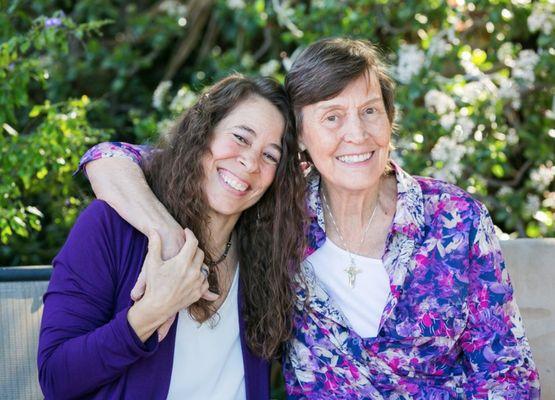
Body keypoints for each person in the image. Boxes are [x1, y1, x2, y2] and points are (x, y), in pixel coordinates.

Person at [77, 39, 540, 398]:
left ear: (390, 122)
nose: (355, 134)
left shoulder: (456, 220)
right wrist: (169, 237)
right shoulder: (276, 213)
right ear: (300, 139)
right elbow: (114, 157)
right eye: (332, 117)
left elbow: (508, 372)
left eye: (370, 112)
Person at [37, 74, 306, 400]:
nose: (249, 162)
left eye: (270, 156)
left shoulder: (266, 256)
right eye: (240, 137)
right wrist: (148, 315)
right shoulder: (111, 227)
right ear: (203, 133)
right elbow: (55, 378)